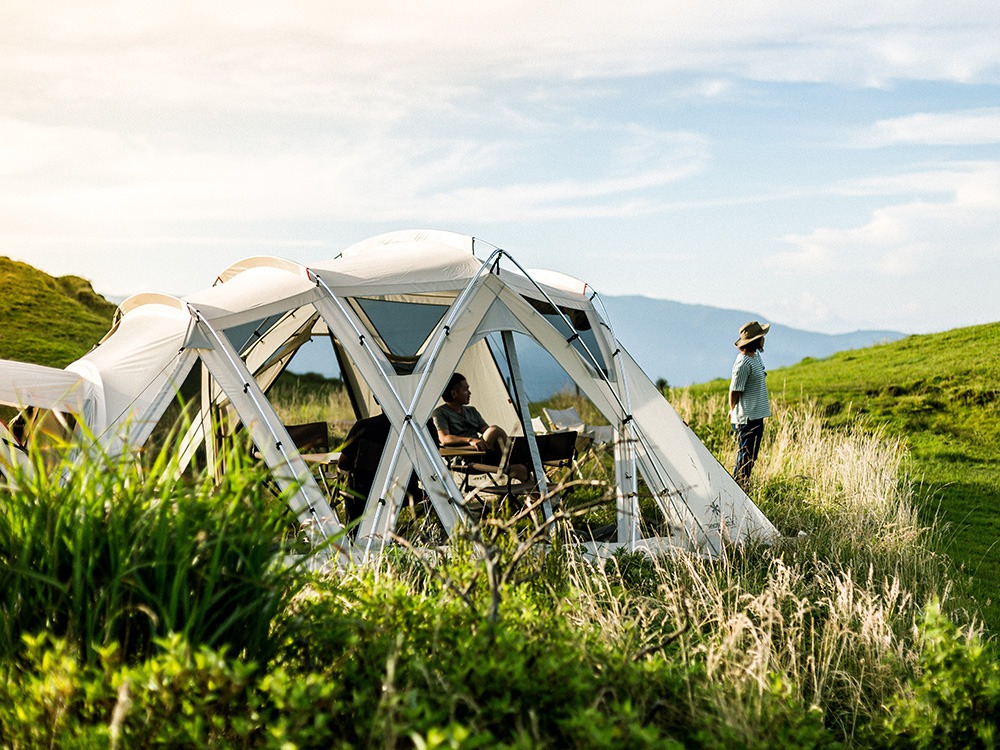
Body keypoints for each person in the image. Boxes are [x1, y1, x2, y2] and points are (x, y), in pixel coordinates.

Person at [433, 372, 527, 481]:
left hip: (482, 452)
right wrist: (470, 440)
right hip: (464, 456)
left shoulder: (471, 411)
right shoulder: (440, 413)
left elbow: (486, 431)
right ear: (454, 393)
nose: (469, 393)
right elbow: (444, 439)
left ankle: (542, 495)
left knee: (520, 469)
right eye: (465, 389)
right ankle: (523, 457)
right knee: (495, 430)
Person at [729, 321, 771, 488]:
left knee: (750, 458)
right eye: (762, 337)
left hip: (756, 415)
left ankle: (741, 489)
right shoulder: (743, 363)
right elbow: (734, 390)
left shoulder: (756, 357)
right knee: (745, 460)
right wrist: (733, 411)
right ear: (757, 340)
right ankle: (737, 491)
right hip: (747, 418)